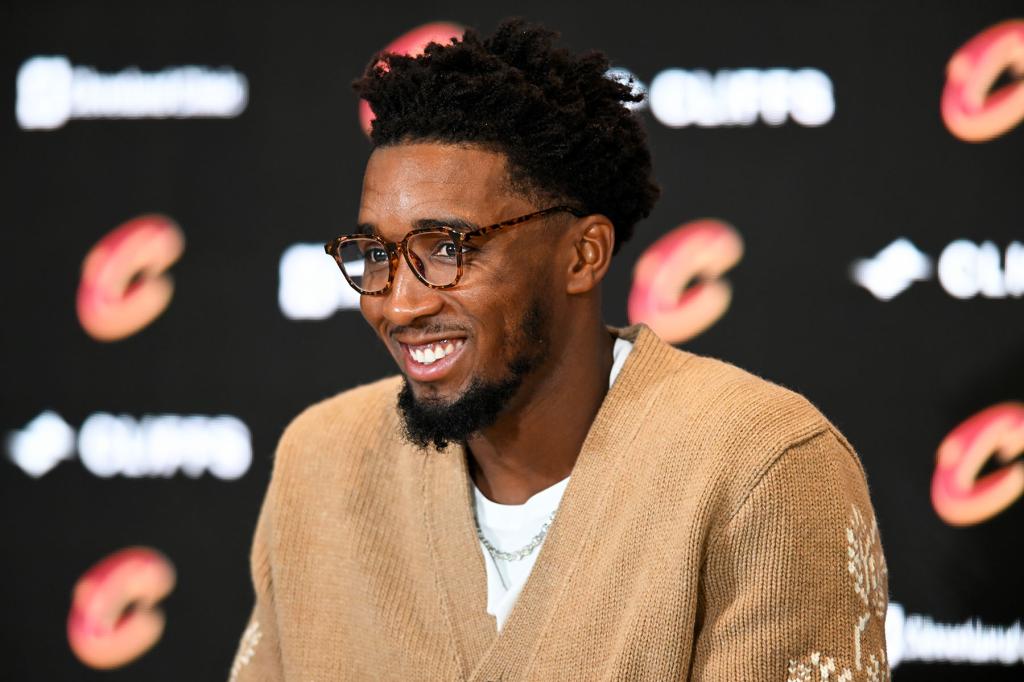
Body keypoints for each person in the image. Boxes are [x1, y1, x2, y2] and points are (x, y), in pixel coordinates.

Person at [229, 18, 889, 681]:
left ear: (583, 254)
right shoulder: (321, 458)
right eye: (376, 255)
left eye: (447, 249)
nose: (398, 304)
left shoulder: (759, 466)